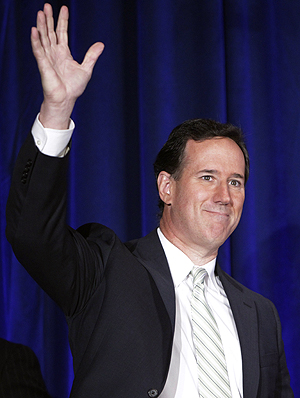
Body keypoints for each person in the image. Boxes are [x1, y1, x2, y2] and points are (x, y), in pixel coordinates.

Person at [5, 3, 294, 398]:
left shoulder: (261, 315)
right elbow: (32, 234)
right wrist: (58, 109)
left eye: (236, 182)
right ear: (167, 187)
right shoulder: (107, 271)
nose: (224, 196)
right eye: (207, 177)